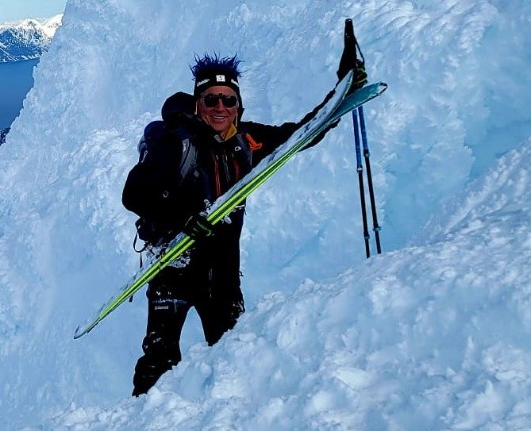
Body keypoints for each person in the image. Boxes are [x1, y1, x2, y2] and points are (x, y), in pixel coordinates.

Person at [121, 42, 361, 396]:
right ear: (198, 104)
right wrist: (182, 218)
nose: (220, 107)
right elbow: (134, 194)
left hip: (223, 274)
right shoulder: (176, 144)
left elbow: (302, 133)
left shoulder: (247, 140)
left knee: (233, 361)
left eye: (228, 100)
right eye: (211, 100)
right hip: (174, 269)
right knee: (159, 362)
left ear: (238, 105)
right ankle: (140, 423)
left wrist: (343, 89)